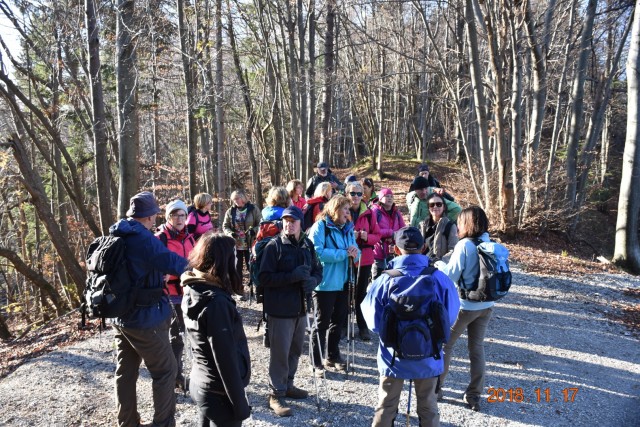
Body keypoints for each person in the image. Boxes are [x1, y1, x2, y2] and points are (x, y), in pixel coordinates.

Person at [361, 226, 459, 427]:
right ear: (424, 247)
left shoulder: (385, 279)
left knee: (386, 405)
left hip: (393, 357)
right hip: (428, 356)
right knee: (428, 407)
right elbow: (449, 316)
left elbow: (372, 322)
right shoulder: (438, 278)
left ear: (396, 250)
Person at [109, 191, 189, 427]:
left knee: (125, 371)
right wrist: (199, 262)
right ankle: (163, 424)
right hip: (144, 317)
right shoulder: (143, 238)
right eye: (154, 214)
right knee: (166, 370)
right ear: (149, 216)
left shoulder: (118, 233)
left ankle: (127, 422)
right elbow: (172, 261)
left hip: (121, 315)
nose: (155, 219)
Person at [258, 206, 323, 417]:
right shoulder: (273, 247)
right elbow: (264, 278)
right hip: (279, 309)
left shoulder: (307, 245)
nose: (289, 224)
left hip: (301, 308)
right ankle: (275, 393)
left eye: (293, 220)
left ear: (300, 223)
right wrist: (291, 276)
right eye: (286, 220)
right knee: (280, 353)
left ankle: (288, 385)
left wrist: (313, 281)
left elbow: (317, 269)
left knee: (295, 350)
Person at [181, 233, 251, 426]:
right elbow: (225, 359)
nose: (237, 261)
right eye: (234, 256)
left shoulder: (193, 288)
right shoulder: (216, 303)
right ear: (224, 261)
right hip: (219, 394)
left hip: (201, 384)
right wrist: (240, 404)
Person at [434, 206, 493, 412]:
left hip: (465, 306)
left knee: (445, 346)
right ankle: (474, 396)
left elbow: (450, 276)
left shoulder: (464, 245)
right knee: (477, 349)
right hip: (487, 305)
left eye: (460, 222)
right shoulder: (489, 242)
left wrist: (440, 265)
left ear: (467, 223)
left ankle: (437, 389)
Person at [307, 196, 360, 374]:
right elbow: (317, 253)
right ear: (335, 209)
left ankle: (332, 355)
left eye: (349, 209)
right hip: (325, 282)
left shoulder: (348, 228)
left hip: (344, 281)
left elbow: (355, 251)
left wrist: (354, 253)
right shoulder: (320, 226)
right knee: (321, 323)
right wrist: (344, 253)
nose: (348, 212)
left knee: (338, 322)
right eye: (345, 209)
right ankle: (315, 361)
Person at [155, 199, 196, 391]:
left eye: (182, 215)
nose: (180, 219)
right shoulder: (160, 238)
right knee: (174, 337)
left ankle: (178, 375)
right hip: (169, 295)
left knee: (183, 336)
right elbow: (157, 268)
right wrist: (175, 274)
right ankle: (173, 377)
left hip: (188, 292)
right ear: (168, 217)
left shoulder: (189, 237)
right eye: (175, 215)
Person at [345, 181, 381, 341]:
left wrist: (368, 237)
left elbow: (377, 235)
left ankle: (362, 326)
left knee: (360, 293)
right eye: (353, 193)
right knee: (344, 291)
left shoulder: (369, 213)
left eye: (359, 194)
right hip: (346, 257)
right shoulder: (342, 210)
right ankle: (342, 325)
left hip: (364, 258)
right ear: (347, 194)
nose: (356, 197)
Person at [223, 190, 262, 299]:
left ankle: (257, 290)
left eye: (237, 199)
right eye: (234, 200)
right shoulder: (230, 211)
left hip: (251, 242)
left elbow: (261, 223)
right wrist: (229, 233)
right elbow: (225, 226)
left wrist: (254, 230)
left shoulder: (253, 209)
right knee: (236, 268)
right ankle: (239, 291)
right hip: (236, 244)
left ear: (243, 198)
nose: (235, 201)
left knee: (253, 267)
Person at [370, 188, 406, 279]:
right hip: (378, 251)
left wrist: (394, 237)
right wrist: (391, 233)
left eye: (391, 196)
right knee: (377, 277)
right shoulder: (375, 212)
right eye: (386, 196)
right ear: (380, 199)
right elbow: (374, 230)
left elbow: (403, 230)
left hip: (395, 250)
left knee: (393, 278)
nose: (390, 198)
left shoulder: (397, 212)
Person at [418, 193, 459, 263]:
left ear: (444, 207)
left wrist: (439, 262)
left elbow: (453, 251)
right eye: (432, 205)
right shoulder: (422, 225)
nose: (435, 207)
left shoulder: (450, 226)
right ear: (428, 207)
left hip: (439, 268)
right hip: (422, 265)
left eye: (439, 204)